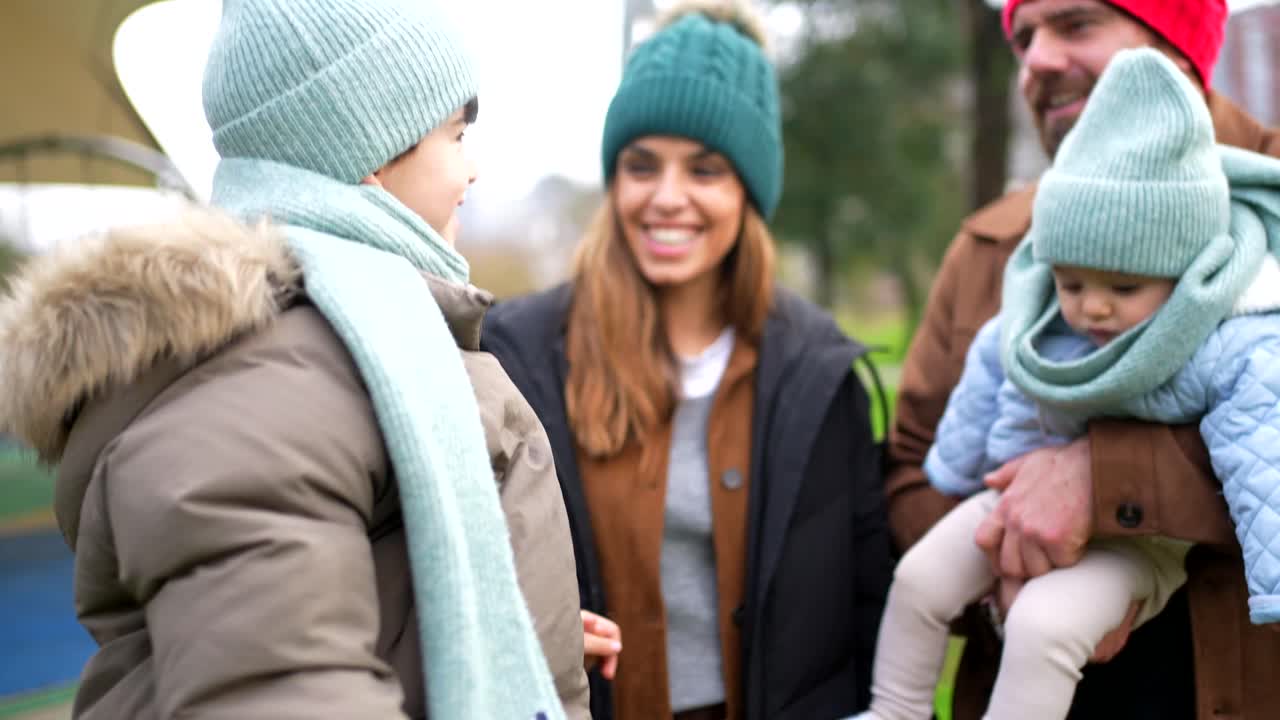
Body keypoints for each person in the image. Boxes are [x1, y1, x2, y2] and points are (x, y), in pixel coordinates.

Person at [0, 0, 590, 717]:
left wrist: (496, 626)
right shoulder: (274, 379)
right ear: (373, 149)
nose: (474, 166)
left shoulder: (354, 343)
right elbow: (277, 688)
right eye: (457, 134)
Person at [481, 2, 894, 718]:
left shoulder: (818, 375)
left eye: (704, 170)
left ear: (748, 190)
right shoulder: (519, 356)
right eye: (642, 166)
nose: (667, 199)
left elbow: (864, 612)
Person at [858, 48, 1280, 720]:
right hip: (1011, 503)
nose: (1092, 310)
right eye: (1071, 283)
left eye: (1124, 287)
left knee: (1045, 627)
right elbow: (980, 383)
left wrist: (1273, 581)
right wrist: (956, 470)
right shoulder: (1032, 301)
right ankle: (893, 710)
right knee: (919, 581)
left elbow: (1262, 444)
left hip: (1146, 545)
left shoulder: (1233, 332)